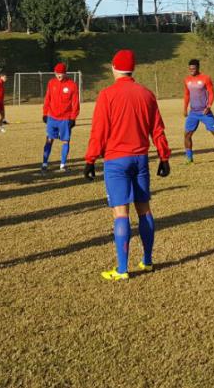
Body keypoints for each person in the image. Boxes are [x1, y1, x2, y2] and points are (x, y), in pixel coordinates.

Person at [84, 50, 171, 281]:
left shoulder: (107, 95)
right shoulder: (147, 94)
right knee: (144, 210)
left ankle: (122, 269)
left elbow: (99, 131)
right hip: (141, 159)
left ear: (114, 68)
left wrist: (90, 159)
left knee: (120, 213)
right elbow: (158, 129)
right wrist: (164, 157)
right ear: (133, 69)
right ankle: (148, 260)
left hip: (116, 161)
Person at [182, 59, 214, 166]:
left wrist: (209, 106)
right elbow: (187, 94)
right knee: (187, 135)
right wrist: (184, 108)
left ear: (198, 68)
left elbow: (211, 93)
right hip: (193, 113)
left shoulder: (205, 78)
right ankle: (189, 159)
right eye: (190, 68)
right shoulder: (187, 80)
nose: (191, 70)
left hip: (205, 112)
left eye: (194, 68)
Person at [42, 63, 80, 173]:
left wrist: (73, 118)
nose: (59, 76)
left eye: (61, 74)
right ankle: (44, 163)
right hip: (52, 117)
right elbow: (47, 99)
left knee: (65, 141)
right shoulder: (51, 83)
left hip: (65, 119)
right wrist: (45, 113)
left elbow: (75, 103)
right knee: (49, 140)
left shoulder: (72, 85)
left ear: (65, 73)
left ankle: (62, 165)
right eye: (57, 74)